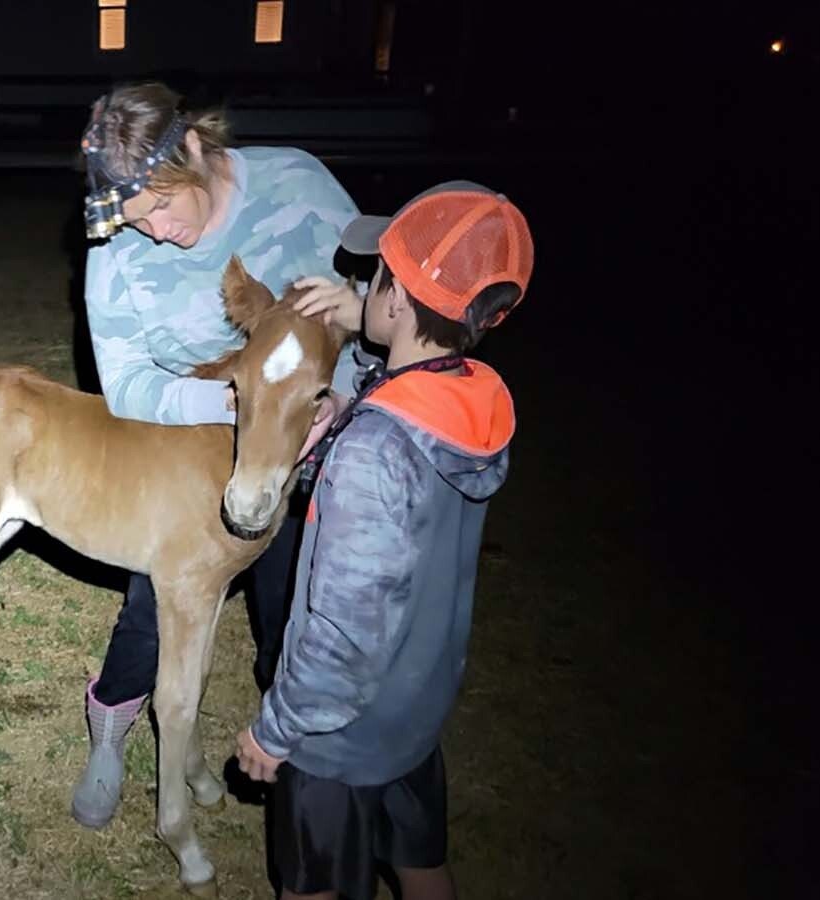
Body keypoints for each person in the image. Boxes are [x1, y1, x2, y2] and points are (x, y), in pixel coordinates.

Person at [71, 81, 364, 829]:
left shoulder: (300, 186)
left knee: (298, 606)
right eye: (139, 218)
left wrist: (338, 402)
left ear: (196, 149)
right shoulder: (119, 248)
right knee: (155, 601)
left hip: (314, 452)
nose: (158, 231)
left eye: (164, 206)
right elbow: (126, 382)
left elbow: (372, 320)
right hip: (191, 451)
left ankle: (297, 750)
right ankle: (111, 719)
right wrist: (229, 410)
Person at [234, 181, 534, 900]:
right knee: (422, 865)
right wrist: (348, 407)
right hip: (416, 711)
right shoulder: (471, 403)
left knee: (312, 886)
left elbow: (346, 632)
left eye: (373, 276)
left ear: (396, 299)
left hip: (337, 738)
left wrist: (276, 732)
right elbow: (408, 420)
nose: (361, 286)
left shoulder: (375, 450)